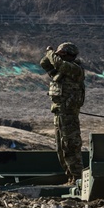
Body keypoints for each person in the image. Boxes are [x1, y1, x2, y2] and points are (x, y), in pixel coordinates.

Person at [40, 42, 85, 182]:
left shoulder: (75, 69)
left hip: (69, 115)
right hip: (59, 114)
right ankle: (70, 177)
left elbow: (60, 64)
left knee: (70, 145)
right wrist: (50, 54)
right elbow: (44, 63)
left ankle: (77, 177)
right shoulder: (60, 73)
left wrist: (52, 53)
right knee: (60, 148)